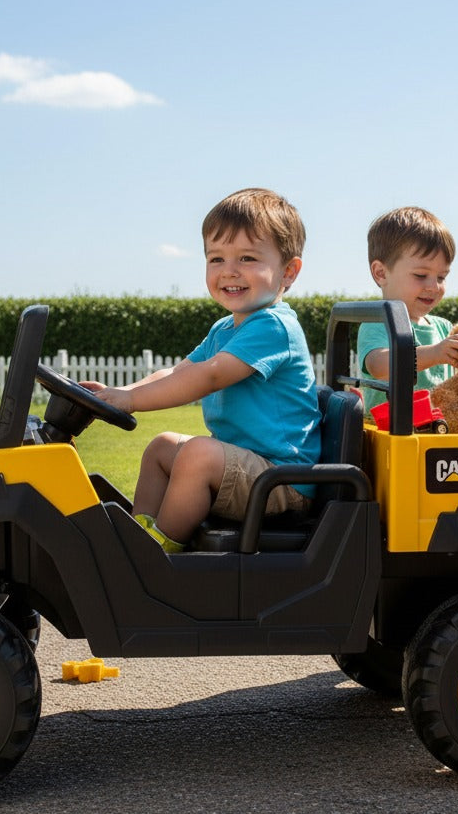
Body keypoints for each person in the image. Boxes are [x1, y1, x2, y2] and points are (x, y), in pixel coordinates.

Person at [85, 188, 321, 553]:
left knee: (198, 453)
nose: (229, 271)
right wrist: (115, 395)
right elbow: (180, 373)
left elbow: (208, 377)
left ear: (288, 271)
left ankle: (158, 553)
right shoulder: (225, 329)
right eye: (216, 259)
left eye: (247, 258)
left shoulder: (274, 327)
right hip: (248, 466)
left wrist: (132, 400)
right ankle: (138, 534)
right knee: (163, 446)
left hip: (281, 480)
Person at [356, 206, 458, 413]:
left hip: (438, 430)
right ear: (381, 273)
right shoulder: (378, 321)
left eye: (441, 277)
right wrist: (434, 353)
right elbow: (379, 366)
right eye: (420, 275)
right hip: (390, 433)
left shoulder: (443, 327)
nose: (433, 286)